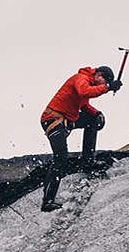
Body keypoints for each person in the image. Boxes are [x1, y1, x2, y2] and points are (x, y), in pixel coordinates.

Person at [40, 66, 122, 212]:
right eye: (103, 81)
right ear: (98, 75)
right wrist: (108, 87)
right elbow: (84, 92)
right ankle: (47, 201)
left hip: (66, 120)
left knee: (93, 121)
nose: (101, 84)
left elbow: (84, 105)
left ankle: (87, 162)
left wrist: (97, 114)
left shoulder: (88, 82)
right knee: (61, 158)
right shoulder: (81, 79)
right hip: (53, 120)